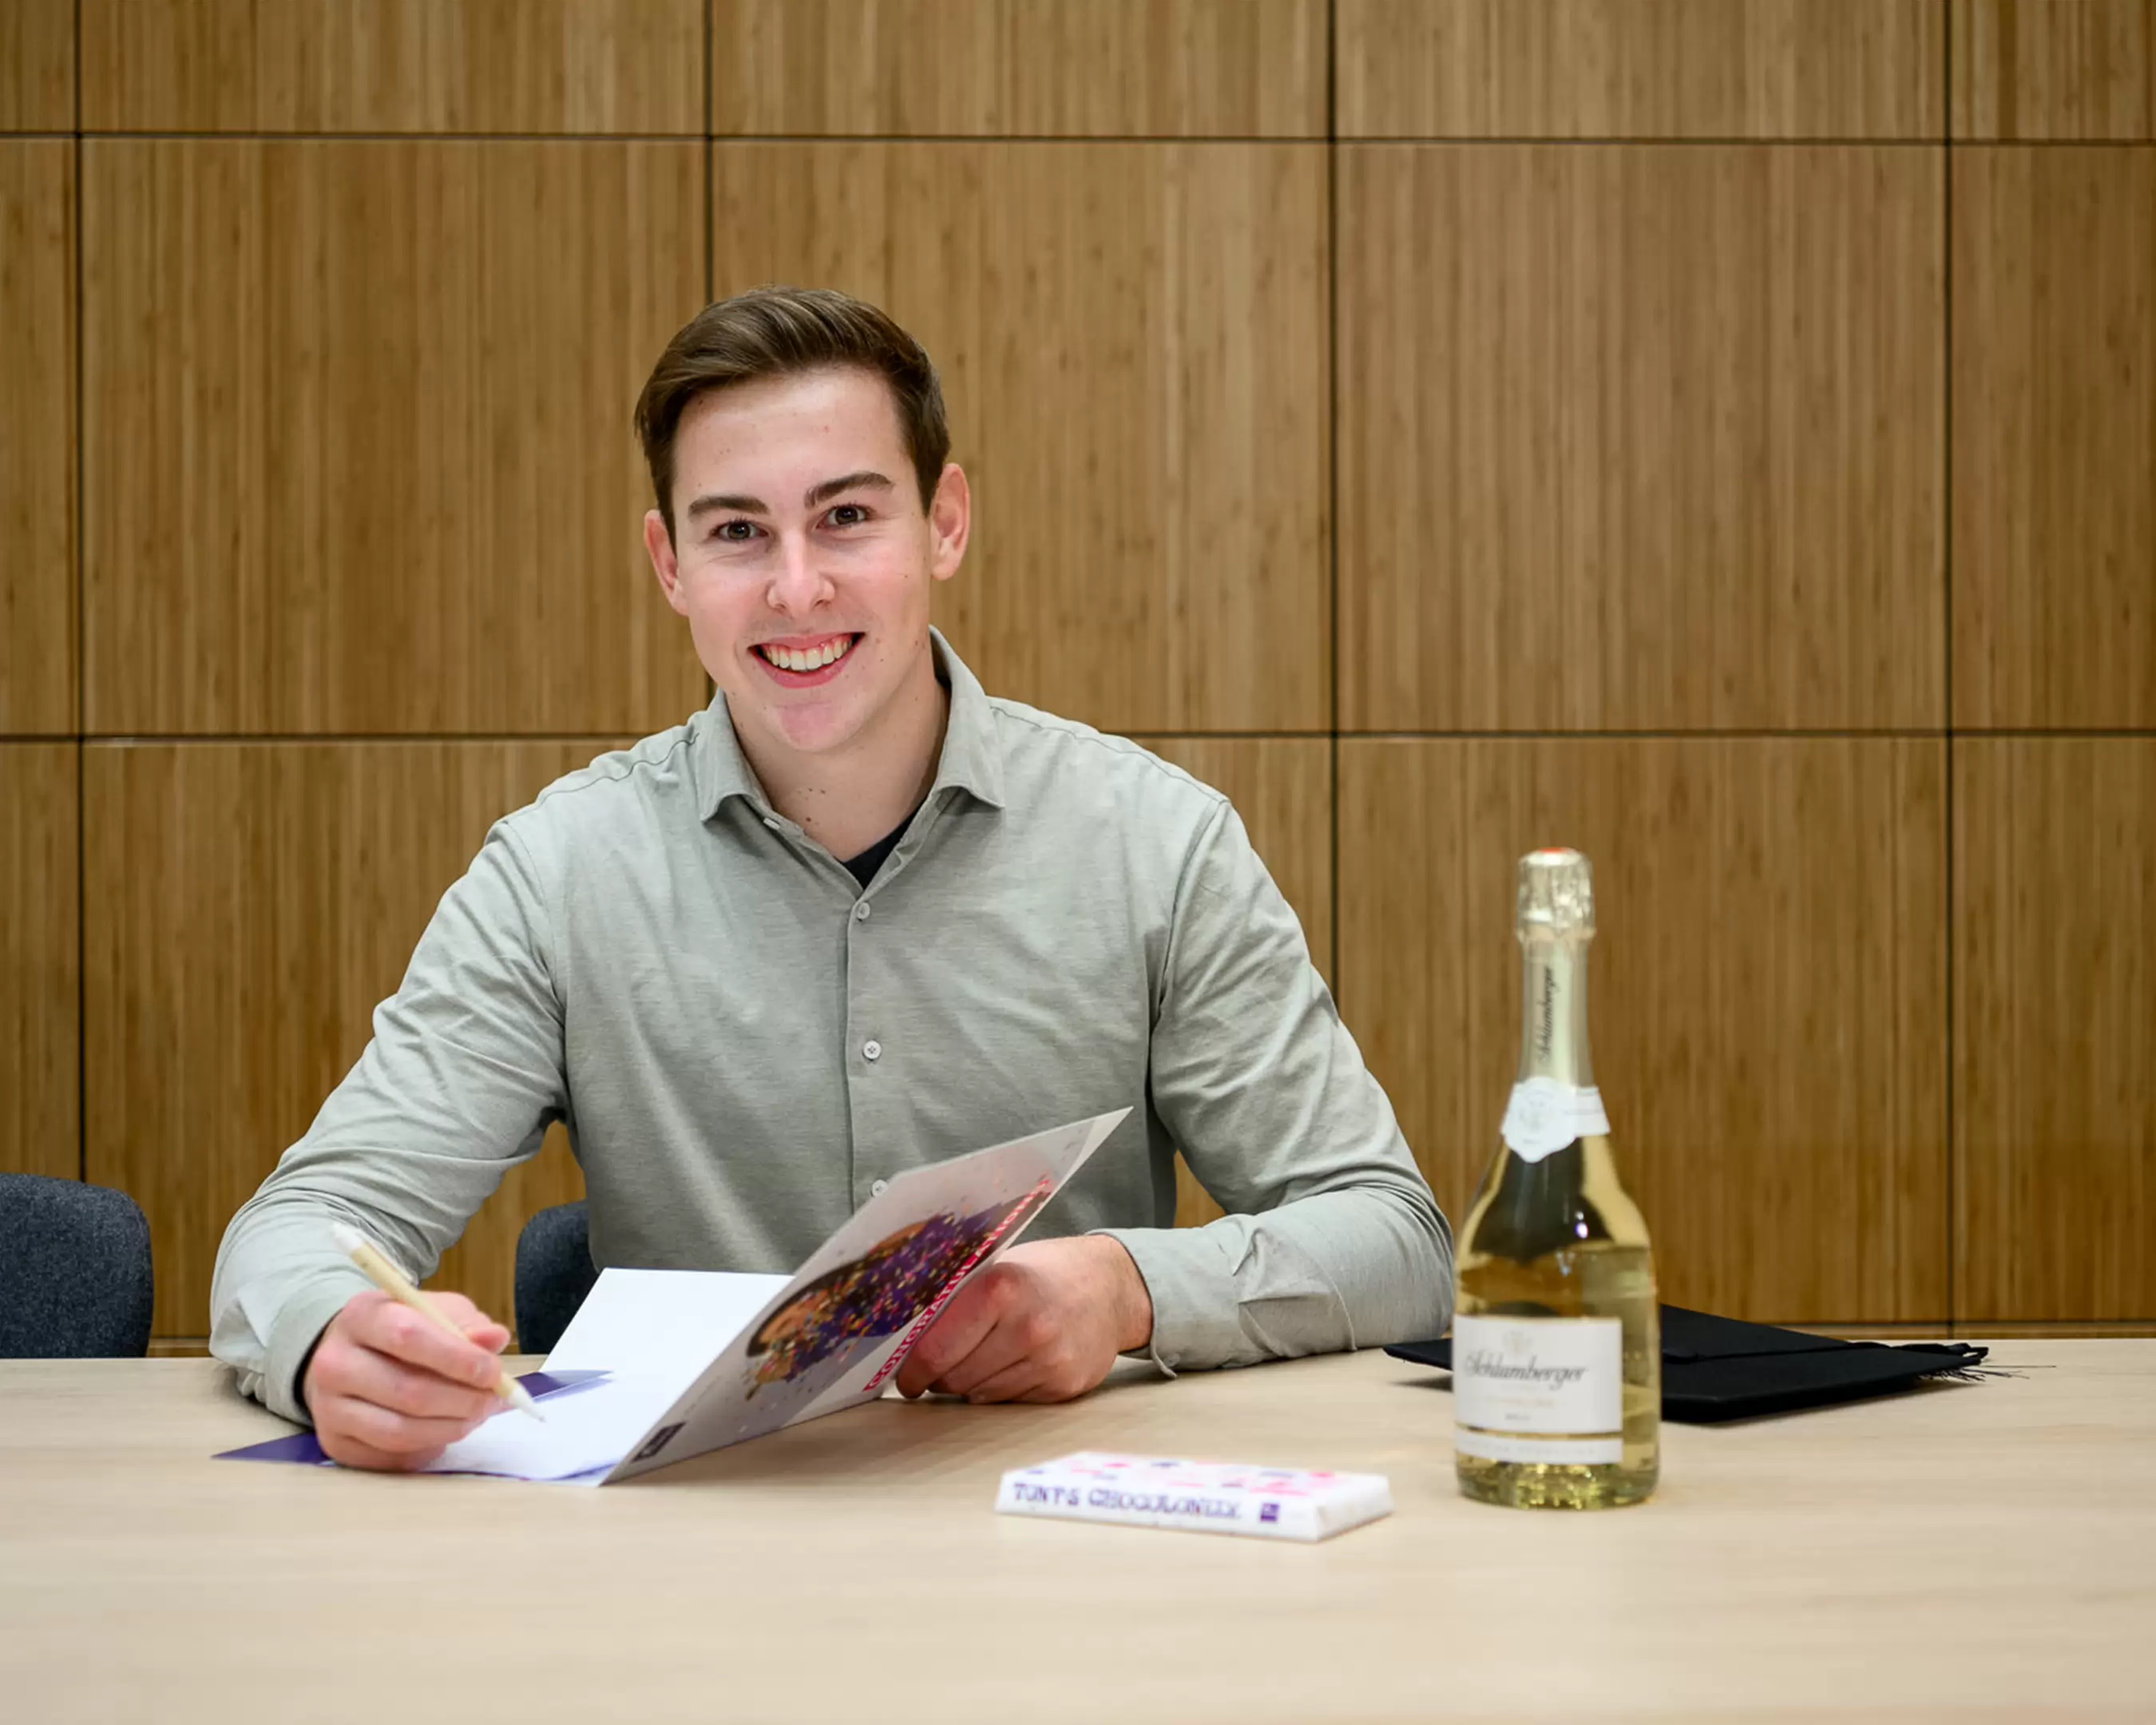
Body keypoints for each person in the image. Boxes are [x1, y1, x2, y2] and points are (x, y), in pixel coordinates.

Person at [210, 285, 1453, 1471]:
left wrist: (1132, 1289)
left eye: (847, 517)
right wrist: (332, 1338)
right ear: (669, 565)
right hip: (700, 1563)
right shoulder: (558, 873)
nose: (795, 587)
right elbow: (300, 1229)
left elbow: (1394, 1239)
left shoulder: (1156, 845)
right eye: (737, 530)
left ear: (945, 523)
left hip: (1071, 1557)